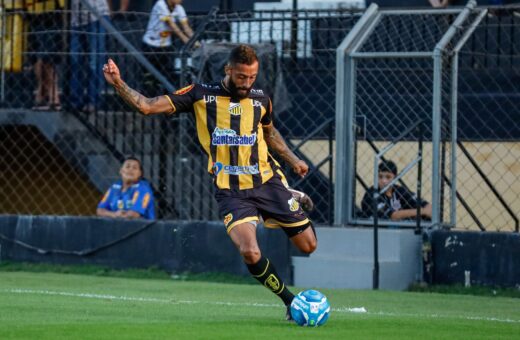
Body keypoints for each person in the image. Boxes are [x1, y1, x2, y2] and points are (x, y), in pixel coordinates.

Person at [103, 44, 317, 320]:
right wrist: (118, 83)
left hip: (267, 182)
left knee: (308, 246)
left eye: (252, 77)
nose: (247, 83)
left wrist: (293, 160)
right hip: (231, 191)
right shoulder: (199, 94)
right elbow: (146, 106)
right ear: (228, 70)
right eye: (242, 77)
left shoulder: (261, 99)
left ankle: (287, 194)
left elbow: (270, 131)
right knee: (250, 251)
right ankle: (290, 301)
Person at [141, 0, 195, 91]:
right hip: (151, 45)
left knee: (166, 75)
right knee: (149, 78)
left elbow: (186, 27)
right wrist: (186, 40)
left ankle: (165, 100)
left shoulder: (179, 8)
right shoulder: (160, 4)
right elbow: (172, 25)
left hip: (165, 46)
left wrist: (195, 41)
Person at [69, 0, 111, 113]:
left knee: (95, 62)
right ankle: (75, 101)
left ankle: (93, 101)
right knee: (75, 61)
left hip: (97, 16)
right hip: (77, 19)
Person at [361, 160, 432, 221]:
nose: (383, 181)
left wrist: (426, 209)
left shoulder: (399, 190)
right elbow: (393, 216)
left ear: (395, 178)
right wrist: (422, 211)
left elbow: (426, 205)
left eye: (388, 177)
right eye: (380, 177)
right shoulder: (371, 194)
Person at [28, 0, 65, 111]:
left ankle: (53, 97)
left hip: (52, 14)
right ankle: (44, 94)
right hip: (32, 13)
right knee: (35, 59)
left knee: (47, 59)